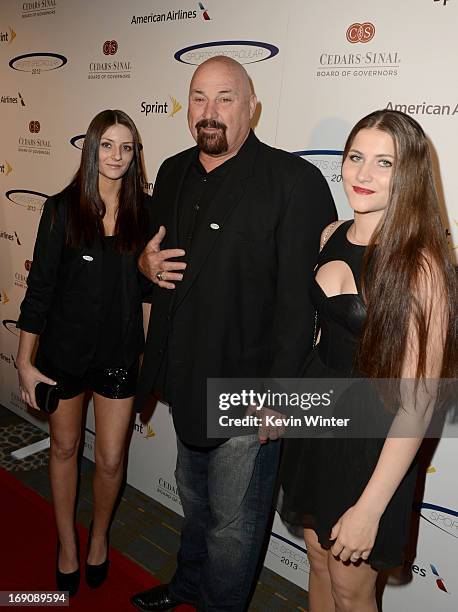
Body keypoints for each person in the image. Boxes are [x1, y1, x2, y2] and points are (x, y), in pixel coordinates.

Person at [130, 56, 336, 611]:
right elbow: (153, 261)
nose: (210, 112)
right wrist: (144, 268)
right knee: (195, 506)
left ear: (252, 107)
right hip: (182, 378)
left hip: (249, 393)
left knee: (233, 530)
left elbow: (302, 307)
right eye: (199, 97)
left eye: (225, 98)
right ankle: (187, 586)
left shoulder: (294, 182)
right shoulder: (171, 171)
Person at [279, 109, 456, 612]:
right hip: (316, 423)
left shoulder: (420, 267)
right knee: (316, 562)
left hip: (372, 443)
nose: (363, 174)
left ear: (410, 175)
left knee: (351, 590)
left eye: (384, 163)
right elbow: (319, 340)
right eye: (356, 157)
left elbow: (419, 405)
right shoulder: (329, 234)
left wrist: (370, 506)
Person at [16, 109, 152, 597]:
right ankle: (67, 545)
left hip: (118, 354)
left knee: (112, 459)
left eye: (126, 147)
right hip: (64, 354)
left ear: (136, 156)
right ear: (91, 149)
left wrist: (144, 359)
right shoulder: (60, 210)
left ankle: (98, 538)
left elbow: (148, 294)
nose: (116, 156)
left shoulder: (145, 213)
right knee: (65, 448)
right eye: (107, 146)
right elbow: (39, 290)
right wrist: (24, 362)